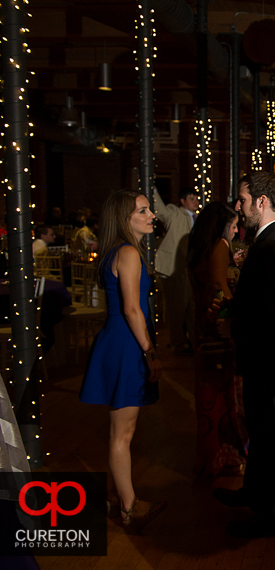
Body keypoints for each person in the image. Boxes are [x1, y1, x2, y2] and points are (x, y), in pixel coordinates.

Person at [213, 171, 275, 539]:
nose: (238, 206)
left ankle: (274, 514)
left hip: (270, 360)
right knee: (262, 434)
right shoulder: (269, 241)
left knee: (273, 438)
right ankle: (254, 495)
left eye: (243, 199)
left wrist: (235, 323)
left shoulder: (274, 244)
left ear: (262, 202)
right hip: (265, 358)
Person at [79, 189, 166, 529]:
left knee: (120, 428)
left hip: (118, 340)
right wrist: (150, 352)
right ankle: (131, 507)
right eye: (143, 211)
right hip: (127, 344)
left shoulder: (117, 250)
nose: (150, 216)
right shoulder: (128, 252)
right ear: (124, 218)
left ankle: (115, 497)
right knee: (123, 432)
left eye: (149, 210)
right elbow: (132, 308)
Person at [187, 201, 246, 478]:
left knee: (208, 394)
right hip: (218, 323)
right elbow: (219, 285)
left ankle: (207, 456)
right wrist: (237, 313)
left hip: (201, 322)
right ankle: (224, 457)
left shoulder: (197, 247)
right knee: (223, 394)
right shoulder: (221, 245)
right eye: (234, 225)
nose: (236, 230)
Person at [153, 187, 198, 354]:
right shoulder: (175, 212)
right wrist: (152, 187)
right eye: (191, 198)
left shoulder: (197, 218)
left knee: (191, 309)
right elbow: (160, 210)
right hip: (173, 268)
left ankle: (193, 343)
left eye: (196, 198)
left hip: (188, 270)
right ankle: (178, 344)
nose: (195, 201)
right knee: (176, 309)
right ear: (183, 201)